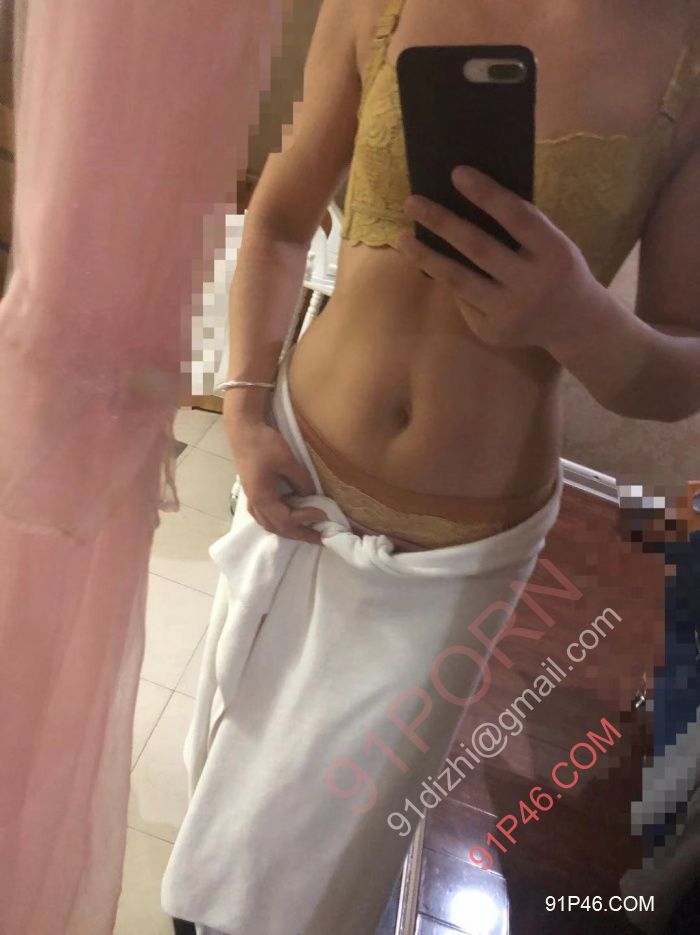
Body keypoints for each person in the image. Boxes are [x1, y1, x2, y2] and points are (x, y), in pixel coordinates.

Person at [163, 1, 700, 932]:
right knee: (227, 780)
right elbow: (281, 219)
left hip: (462, 554)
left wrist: (578, 316)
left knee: (334, 844)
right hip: (298, 473)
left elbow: (678, 372)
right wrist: (244, 407)